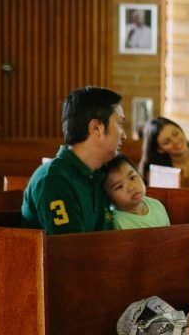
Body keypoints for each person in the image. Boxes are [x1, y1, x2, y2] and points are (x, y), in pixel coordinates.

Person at [21, 86, 124, 234]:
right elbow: (69, 250)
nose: (124, 135)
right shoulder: (54, 179)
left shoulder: (98, 173)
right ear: (96, 128)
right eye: (120, 124)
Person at [102, 154, 170, 230]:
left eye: (132, 177)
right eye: (119, 186)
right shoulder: (115, 222)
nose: (131, 187)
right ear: (107, 196)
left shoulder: (157, 205)